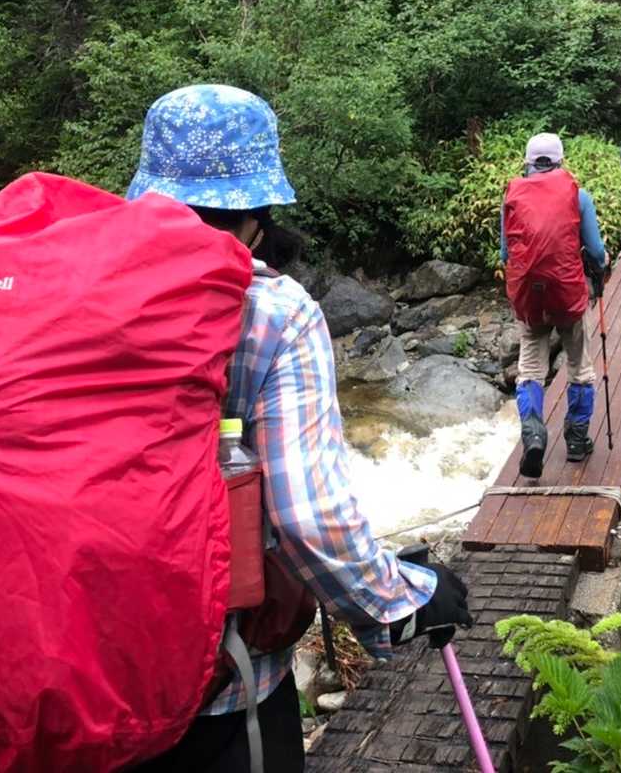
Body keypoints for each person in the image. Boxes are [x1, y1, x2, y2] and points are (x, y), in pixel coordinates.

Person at [127, 85, 472, 773]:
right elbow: (305, 517)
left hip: (64, 669)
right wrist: (402, 603)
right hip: (218, 691)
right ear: (258, 209)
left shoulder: (67, 290)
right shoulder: (272, 311)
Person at [499, 132, 608, 476]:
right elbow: (595, 251)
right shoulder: (578, 195)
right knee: (579, 364)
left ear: (528, 162)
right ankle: (576, 441)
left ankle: (534, 435)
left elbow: (505, 254)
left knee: (531, 368)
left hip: (530, 297)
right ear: (560, 161)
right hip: (567, 293)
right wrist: (601, 266)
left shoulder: (512, 196)